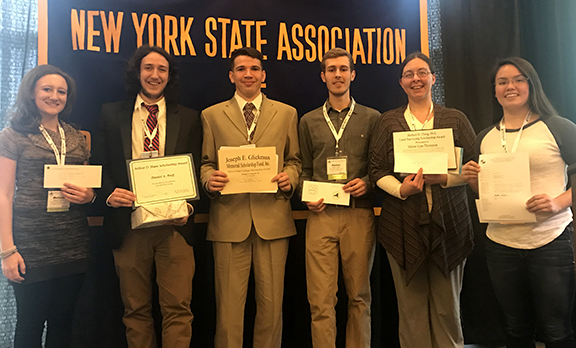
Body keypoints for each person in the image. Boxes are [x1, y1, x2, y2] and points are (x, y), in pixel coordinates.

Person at [462, 57, 576, 348]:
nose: (510, 86)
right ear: (495, 91)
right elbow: (484, 194)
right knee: (515, 329)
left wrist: (559, 202)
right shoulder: (484, 138)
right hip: (501, 246)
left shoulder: (559, 128)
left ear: (531, 84)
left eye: (518, 79)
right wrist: (474, 182)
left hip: (550, 241)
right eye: (502, 82)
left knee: (556, 331)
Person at [92, 45, 201, 348]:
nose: (155, 75)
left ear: (169, 76)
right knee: (135, 310)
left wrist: (189, 208)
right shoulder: (111, 113)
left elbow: (197, 169)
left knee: (178, 309)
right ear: (137, 73)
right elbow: (98, 167)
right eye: (148, 68)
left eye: (162, 69)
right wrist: (109, 194)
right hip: (128, 226)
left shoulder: (190, 118)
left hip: (175, 227)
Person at [369, 51, 476, 348]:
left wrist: (447, 178)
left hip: (450, 225)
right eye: (408, 74)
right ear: (401, 83)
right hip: (401, 227)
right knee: (411, 310)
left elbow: (476, 167)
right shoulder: (388, 122)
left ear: (433, 78)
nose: (415, 79)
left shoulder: (455, 119)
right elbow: (375, 170)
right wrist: (401, 190)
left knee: (447, 309)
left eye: (421, 72)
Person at [201, 47, 301, 348]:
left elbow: (295, 160)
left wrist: (290, 178)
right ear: (232, 76)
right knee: (228, 310)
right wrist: (209, 180)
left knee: (271, 309)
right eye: (242, 69)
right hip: (229, 220)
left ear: (263, 76)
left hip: (273, 219)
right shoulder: (211, 115)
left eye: (255, 69)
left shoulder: (286, 113)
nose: (248, 74)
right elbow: (205, 163)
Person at [0, 64, 94, 348]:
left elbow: (87, 186)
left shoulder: (77, 137)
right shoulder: (13, 134)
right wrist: (7, 250)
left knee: (63, 324)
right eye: (47, 89)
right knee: (29, 325)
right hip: (30, 246)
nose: (55, 96)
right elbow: (3, 194)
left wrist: (89, 197)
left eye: (61, 91)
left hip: (73, 243)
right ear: (32, 92)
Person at [298, 47, 379, 348]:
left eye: (343, 69)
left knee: (359, 296)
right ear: (323, 76)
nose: (338, 75)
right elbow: (304, 169)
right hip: (320, 216)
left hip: (358, 213)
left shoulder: (372, 118)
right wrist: (306, 196)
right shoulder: (308, 121)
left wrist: (368, 183)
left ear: (352, 74)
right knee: (320, 300)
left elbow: (379, 167)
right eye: (331, 70)